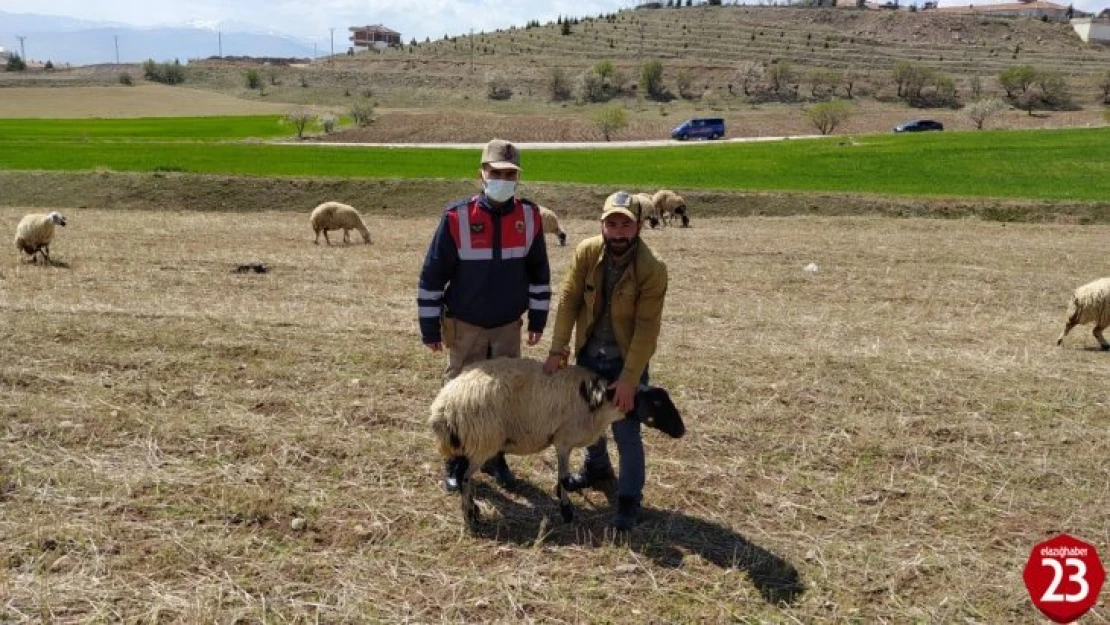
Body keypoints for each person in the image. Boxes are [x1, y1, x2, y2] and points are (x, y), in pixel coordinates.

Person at [417, 138, 551, 492]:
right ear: (482, 173)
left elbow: (539, 273)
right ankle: (455, 460)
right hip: (466, 326)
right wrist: (429, 326)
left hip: (508, 326)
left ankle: (495, 458)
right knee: (460, 395)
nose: (503, 179)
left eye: (510, 173)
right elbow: (432, 276)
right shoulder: (456, 218)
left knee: (504, 397)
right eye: (496, 172)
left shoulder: (529, 217)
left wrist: (537, 320)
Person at [542, 191, 668, 530]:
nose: (617, 232)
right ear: (602, 225)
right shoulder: (587, 251)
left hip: (625, 360)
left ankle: (629, 499)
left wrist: (629, 379)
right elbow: (569, 300)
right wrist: (558, 349)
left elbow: (646, 328)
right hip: (589, 357)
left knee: (626, 432)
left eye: (625, 225)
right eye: (611, 224)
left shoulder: (652, 268)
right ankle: (596, 469)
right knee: (588, 420)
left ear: (638, 227)